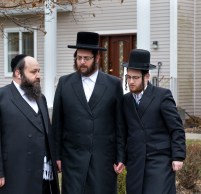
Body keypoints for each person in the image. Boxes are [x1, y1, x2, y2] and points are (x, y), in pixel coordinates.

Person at [52, 31, 126, 194]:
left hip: (103, 159)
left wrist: (121, 156)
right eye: (79, 58)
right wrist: (56, 155)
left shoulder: (113, 84)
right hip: (72, 159)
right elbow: (57, 123)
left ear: (97, 58)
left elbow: (119, 124)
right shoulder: (65, 83)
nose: (82, 62)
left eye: (86, 58)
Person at [122, 49, 186, 194]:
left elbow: (176, 128)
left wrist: (178, 156)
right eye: (128, 77)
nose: (131, 81)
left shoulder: (162, 96)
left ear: (147, 77)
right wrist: (122, 158)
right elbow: (123, 132)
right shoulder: (125, 100)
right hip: (135, 162)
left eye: (135, 78)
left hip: (159, 161)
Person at [0, 55, 60, 194]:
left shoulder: (41, 98)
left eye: (39, 71)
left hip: (43, 175)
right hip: (15, 174)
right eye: (33, 72)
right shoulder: (2, 97)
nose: (38, 76)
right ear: (18, 73)